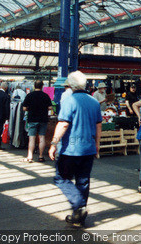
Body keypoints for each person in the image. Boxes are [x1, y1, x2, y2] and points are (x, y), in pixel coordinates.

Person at [48, 71, 102, 227]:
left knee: (61, 178)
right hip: (88, 148)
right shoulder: (94, 102)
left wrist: (53, 143)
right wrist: (97, 144)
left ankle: (78, 205)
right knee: (83, 181)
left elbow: (63, 124)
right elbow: (99, 126)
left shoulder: (69, 101)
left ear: (70, 85)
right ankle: (79, 215)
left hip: (70, 149)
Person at [22, 80, 52, 163]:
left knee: (32, 138)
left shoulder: (29, 96)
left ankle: (30, 156)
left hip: (32, 119)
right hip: (43, 119)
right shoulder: (45, 96)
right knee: (42, 137)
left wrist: (31, 108)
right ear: (42, 86)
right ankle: (41, 156)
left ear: (34, 86)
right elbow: (50, 108)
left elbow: (24, 108)